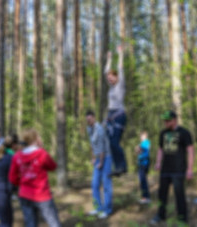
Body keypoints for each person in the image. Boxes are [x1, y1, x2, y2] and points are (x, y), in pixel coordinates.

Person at [9, 129, 61, 227]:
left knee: (30, 224)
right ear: (35, 139)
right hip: (42, 195)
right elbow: (53, 166)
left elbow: (12, 178)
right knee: (53, 222)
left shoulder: (17, 156)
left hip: (24, 194)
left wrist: (22, 183)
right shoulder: (41, 153)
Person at [151, 111, 194, 225]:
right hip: (165, 169)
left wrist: (190, 169)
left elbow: (190, 151)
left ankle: (182, 218)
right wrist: (158, 162)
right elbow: (160, 149)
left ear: (174, 120)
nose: (165, 122)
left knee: (179, 194)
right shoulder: (163, 133)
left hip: (178, 169)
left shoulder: (184, 133)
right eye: (164, 120)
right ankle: (160, 215)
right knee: (162, 193)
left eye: (168, 120)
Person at [105, 45, 127, 176]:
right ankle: (117, 167)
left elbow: (120, 68)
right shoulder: (111, 87)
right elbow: (105, 71)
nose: (110, 80)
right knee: (110, 143)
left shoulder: (120, 84)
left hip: (119, 114)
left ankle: (122, 166)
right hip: (111, 115)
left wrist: (120, 54)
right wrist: (108, 59)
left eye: (112, 77)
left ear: (116, 77)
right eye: (109, 79)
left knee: (114, 142)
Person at [86, 110, 113, 219]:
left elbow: (102, 147)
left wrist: (101, 162)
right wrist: (93, 158)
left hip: (106, 157)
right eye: (87, 119)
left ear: (94, 117)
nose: (88, 121)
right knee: (94, 184)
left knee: (106, 184)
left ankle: (107, 210)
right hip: (98, 158)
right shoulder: (89, 129)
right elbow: (92, 145)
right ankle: (98, 208)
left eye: (90, 118)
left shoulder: (100, 129)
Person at [135, 131, 151, 204]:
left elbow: (141, 148)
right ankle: (144, 197)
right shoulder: (142, 143)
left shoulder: (147, 142)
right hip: (141, 163)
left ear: (145, 136)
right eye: (140, 136)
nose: (141, 137)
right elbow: (137, 151)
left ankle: (146, 197)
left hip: (144, 163)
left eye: (142, 136)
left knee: (143, 180)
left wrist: (138, 147)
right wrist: (138, 148)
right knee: (142, 180)